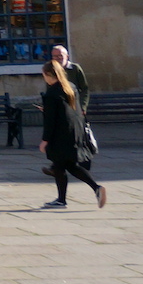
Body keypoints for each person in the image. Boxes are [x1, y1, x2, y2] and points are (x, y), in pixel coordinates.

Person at [39, 60, 105, 209]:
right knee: (66, 165)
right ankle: (93, 189)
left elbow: (50, 121)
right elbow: (68, 110)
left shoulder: (51, 93)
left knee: (61, 166)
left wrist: (45, 140)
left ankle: (64, 199)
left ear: (48, 74)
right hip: (74, 131)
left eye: (44, 75)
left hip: (60, 134)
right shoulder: (70, 87)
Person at [50, 45, 89, 113]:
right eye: (55, 56)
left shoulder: (75, 68)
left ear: (67, 56)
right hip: (59, 107)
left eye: (60, 55)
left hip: (75, 106)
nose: (58, 58)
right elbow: (50, 90)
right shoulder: (51, 70)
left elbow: (84, 89)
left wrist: (82, 107)